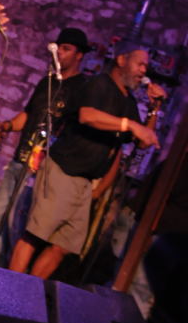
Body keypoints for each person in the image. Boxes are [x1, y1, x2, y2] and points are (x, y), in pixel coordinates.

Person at [9, 39, 166, 280]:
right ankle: (6, 292)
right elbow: (87, 116)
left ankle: (26, 293)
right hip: (63, 170)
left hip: (85, 182)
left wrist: (154, 109)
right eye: (140, 64)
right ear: (121, 60)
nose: (144, 71)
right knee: (35, 236)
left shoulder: (128, 102)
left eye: (146, 67)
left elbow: (143, 140)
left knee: (63, 246)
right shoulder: (98, 84)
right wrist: (130, 125)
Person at [0, 27, 90, 267]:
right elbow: (29, 114)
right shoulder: (47, 82)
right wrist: (8, 125)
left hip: (41, 170)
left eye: (66, 49)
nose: (60, 52)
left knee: (17, 228)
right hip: (19, 159)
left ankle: (3, 280)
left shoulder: (81, 89)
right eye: (59, 47)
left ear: (79, 55)